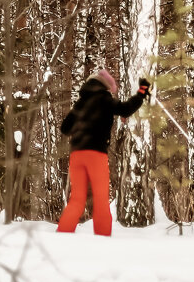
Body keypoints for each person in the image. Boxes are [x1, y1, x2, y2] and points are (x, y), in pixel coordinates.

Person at [56, 69, 148, 236]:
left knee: (77, 199)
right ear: (105, 87)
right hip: (96, 154)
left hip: (77, 155)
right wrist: (142, 92)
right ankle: (103, 238)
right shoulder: (105, 100)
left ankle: (63, 235)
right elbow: (126, 109)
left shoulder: (80, 103)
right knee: (100, 199)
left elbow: (65, 128)